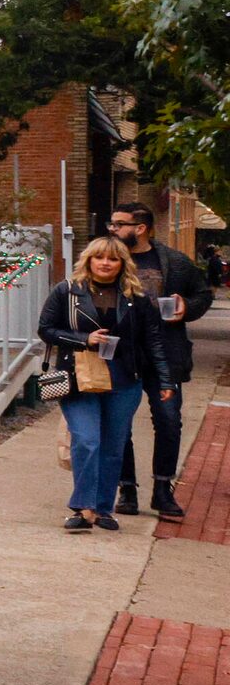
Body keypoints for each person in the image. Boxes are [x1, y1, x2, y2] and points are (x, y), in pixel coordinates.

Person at [41, 236, 174, 533]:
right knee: (87, 440)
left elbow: (153, 341)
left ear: (121, 263)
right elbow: (46, 329)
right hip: (80, 377)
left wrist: (165, 380)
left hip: (124, 378)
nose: (105, 263)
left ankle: (103, 509)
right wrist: (83, 339)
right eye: (99, 257)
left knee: (114, 446)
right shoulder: (67, 292)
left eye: (112, 259)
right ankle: (83, 508)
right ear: (88, 260)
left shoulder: (136, 297)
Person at [110, 200, 212, 521]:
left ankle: (162, 489)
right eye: (111, 224)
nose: (112, 229)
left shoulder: (173, 262)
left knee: (168, 421)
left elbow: (202, 293)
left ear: (140, 228)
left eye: (118, 224)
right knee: (119, 424)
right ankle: (126, 488)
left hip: (165, 355)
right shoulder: (107, 259)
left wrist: (187, 307)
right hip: (122, 357)